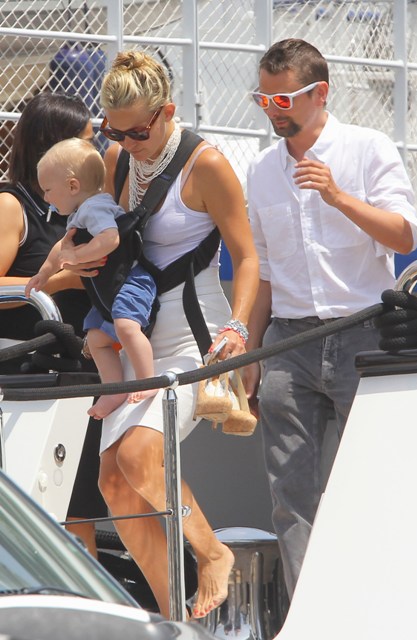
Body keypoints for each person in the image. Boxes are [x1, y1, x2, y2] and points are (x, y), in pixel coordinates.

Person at [61, 50, 259, 619]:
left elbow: (247, 258)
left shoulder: (208, 165)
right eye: (113, 131)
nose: (127, 142)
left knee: (141, 453)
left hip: (195, 333)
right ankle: (174, 615)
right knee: (113, 482)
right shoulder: (119, 158)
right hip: (137, 334)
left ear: (167, 112)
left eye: (138, 132)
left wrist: (239, 327)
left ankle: (212, 551)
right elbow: (113, 240)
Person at [243, 38, 417, 602]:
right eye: (263, 100)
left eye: (283, 99)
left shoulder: (367, 148)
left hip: (363, 336)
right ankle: (310, 617)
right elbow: (263, 274)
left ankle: (379, 610)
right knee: (289, 498)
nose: (272, 110)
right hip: (287, 344)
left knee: (369, 489)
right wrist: (250, 354)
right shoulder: (261, 171)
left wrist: (338, 196)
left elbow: (406, 236)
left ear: (319, 93)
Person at [0, 92, 107, 557]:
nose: (95, 150)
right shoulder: (11, 205)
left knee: (80, 505)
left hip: (81, 372)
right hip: (30, 378)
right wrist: (63, 279)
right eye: (86, 140)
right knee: (39, 507)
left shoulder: (88, 209)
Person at [25, 137, 158, 419]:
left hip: (131, 282)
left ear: (73, 186)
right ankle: (114, 390)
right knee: (97, 339)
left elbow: (110, 239)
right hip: (111, 290)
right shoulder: (80, 213)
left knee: (126, 327)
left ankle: (148, 380)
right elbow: (61, 247)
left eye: (48, 190)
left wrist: (76, 256)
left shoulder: (94, 208)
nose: (46, 198)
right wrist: (44, 272)